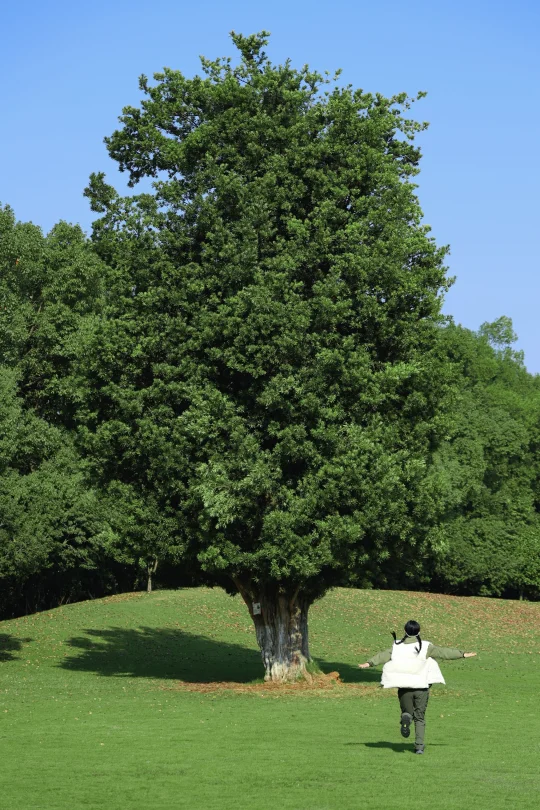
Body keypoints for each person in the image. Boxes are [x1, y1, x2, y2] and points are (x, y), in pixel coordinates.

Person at [358, 620, 477, 754]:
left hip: (404, 688)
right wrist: (462, 654)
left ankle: (406, 717)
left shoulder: (397, 646)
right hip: (421, 688)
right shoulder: (426, 647)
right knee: (419, 718)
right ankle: (419, 747)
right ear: (418, 632)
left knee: (407, 712)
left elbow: (383, 656)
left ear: (405, 631)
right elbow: (444, 653)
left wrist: (368, 663)